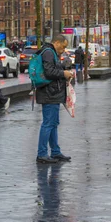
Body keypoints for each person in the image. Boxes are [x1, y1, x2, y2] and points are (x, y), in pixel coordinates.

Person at [36, 34, 75, 164]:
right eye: (63, 47)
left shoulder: (50, 52)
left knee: (53, 123)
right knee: (48, 124)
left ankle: (55, 152)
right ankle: (42, 154)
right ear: (57, 43)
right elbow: (49, 72)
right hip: (49, 94)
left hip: (52, 93)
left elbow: (51, 70)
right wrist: (63, 73)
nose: (63, 50)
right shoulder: (48, 53)